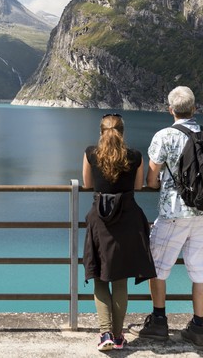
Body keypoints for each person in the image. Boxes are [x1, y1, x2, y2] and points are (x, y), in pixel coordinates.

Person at [129, 86, 203, 350]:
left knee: (158, 267)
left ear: (170, 110)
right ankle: (197, 326)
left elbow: (151, 178)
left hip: (173, 213)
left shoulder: (164, 136)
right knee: (201, 270)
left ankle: (159, 321)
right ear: (194, 108)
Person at [82, 113, 157, 352]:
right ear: (122, 132)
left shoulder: (90, 153)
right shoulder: (134, 156)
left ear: (101, 131)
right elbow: (137, 186)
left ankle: (104, 334)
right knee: (120, 279)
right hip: (127, 220)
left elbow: (86, 184)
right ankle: (117, 336)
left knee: (99, 276)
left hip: (100, 221)